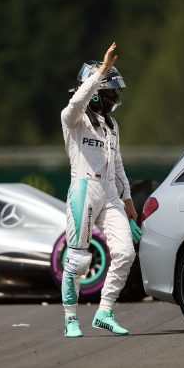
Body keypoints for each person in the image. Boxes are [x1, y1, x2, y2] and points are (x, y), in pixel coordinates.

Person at [60, 42, 138, 338]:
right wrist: (101, 72)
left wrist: (129, 202)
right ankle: (70, 318)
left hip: (110, 194)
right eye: (108, 92)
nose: (113, 97)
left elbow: (117, 166)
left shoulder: (112, 125)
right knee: (79, 260)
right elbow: (74, 105)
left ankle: (104, 311)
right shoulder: (74, 120)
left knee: (125, 253)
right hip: (83, 190)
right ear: (93, 92)